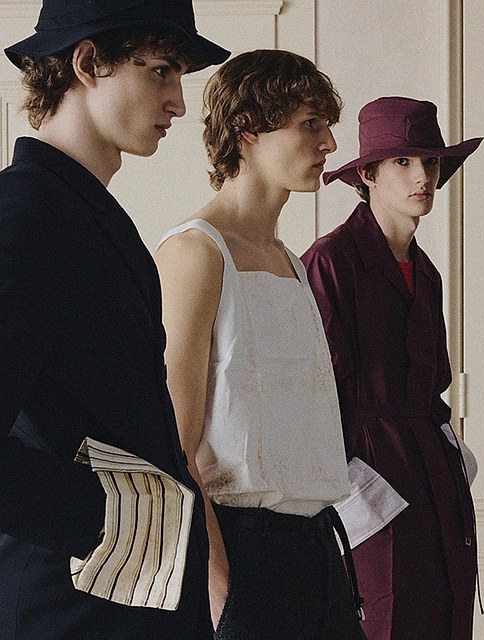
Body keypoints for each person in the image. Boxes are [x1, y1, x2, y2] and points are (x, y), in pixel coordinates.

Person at [0, 1, 230, 638]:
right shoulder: (26, 214)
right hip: (70, 608)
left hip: (124, 604)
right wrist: (119, 518)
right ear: (87, 62)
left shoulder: (81, 212)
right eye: (160, 70)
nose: (178, 101)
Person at [154, 49, 366, 640]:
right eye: (310, 124)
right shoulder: (195, 253)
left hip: (318, 547)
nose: (328, 143)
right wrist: (216, 573)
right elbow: (173, 441)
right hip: (239, 549)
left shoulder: (290, 262)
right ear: (247, 130)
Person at [301, 96, 483, 640]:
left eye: (430, 162)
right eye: (403, 162)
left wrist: (453, 459)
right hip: (367, 474)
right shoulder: (330, 262)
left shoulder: (425, 272)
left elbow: (433, 384)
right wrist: (352, 490)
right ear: (368, 175)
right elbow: (310, 397)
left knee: (446, 613)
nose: (422, 176)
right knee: (384, 620)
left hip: (433, 474)